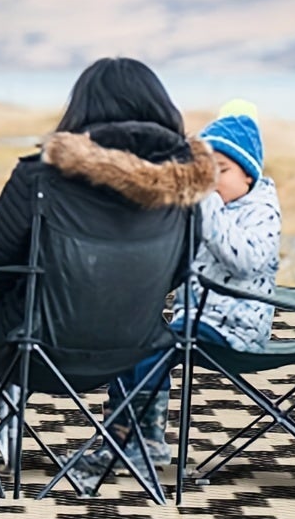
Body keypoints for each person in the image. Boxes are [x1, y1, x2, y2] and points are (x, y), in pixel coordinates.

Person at [0, 57, 216, 482]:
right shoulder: (185, 187)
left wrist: (38, 290)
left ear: (81, 111)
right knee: (13, 339)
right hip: (132, 353)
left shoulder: (42, 175)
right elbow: (179, 273)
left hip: (39, 348)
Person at [87, 104, 282, 480]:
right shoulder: (216, 207)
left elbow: (242, 260)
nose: (212, 182)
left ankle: (148, 442)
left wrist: (206, 203)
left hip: (236, 326)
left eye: (221, 172)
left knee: (156, 349)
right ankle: (122, 438)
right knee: (133, 343)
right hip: (198, 315)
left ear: (249, 174)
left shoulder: (262, 211)